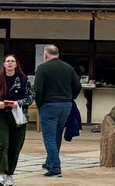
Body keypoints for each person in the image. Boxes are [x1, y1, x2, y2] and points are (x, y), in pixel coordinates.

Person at [33, 44, 82, 178]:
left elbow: (37, 90)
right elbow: (78, 86)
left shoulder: (42, 68)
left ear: (45, 55)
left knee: (48, 137)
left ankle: (55, 168)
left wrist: (39, 104)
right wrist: (70, 97)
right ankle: (50, 161)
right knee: (57, 135)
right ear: (58, 54)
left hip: (49, 104)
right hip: (66, 105)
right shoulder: (68, 67)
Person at [0, 53, 34, 186]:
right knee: (1, 144)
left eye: (13, 61)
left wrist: (18, 103)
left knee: (15, 146)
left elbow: (30, 97)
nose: (10, 63)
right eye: (8, 61)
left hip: (17, 116)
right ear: (4, 64)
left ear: (16, 64)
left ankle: (9, 174)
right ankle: (0, 174)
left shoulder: (24, 80)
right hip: (0, 115)